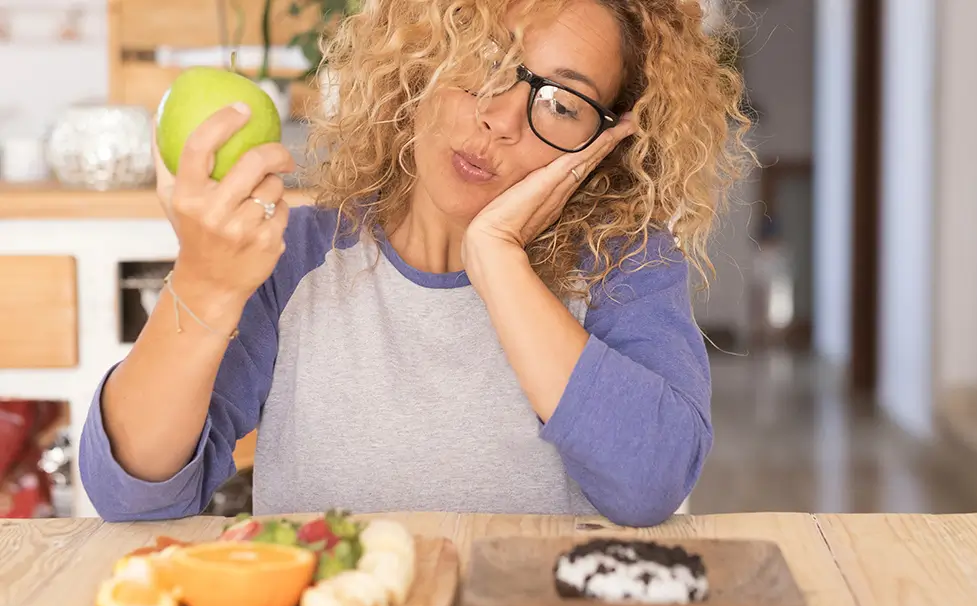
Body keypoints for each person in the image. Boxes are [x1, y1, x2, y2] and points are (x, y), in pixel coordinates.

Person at [79, 0, 751, 527]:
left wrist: (498, 261)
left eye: (562, 104)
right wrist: (203, 282)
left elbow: (653, 479)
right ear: (425, 57)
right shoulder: (300, 258)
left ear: (603, 143)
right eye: (488, 58)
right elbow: (131, 494)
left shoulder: (623, 265)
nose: (502, 121)